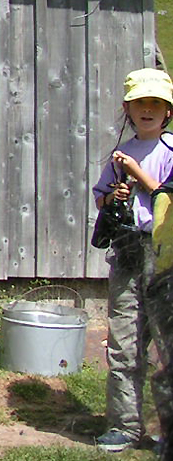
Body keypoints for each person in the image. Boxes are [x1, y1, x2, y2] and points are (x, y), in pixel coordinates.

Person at [92, 68, 173, 453]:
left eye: (156, 103)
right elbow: (101, 199)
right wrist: (115, 196)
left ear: (168, 112)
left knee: (166, 346)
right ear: (128, 108)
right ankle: (124, 426)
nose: (148, 109)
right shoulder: (119, 154)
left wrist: (137, 174)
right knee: (124, 343)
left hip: (163, 256)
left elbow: (165, 198)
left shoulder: (169, 152)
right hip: (126, 250)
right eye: (141, 102)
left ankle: (166, 430)